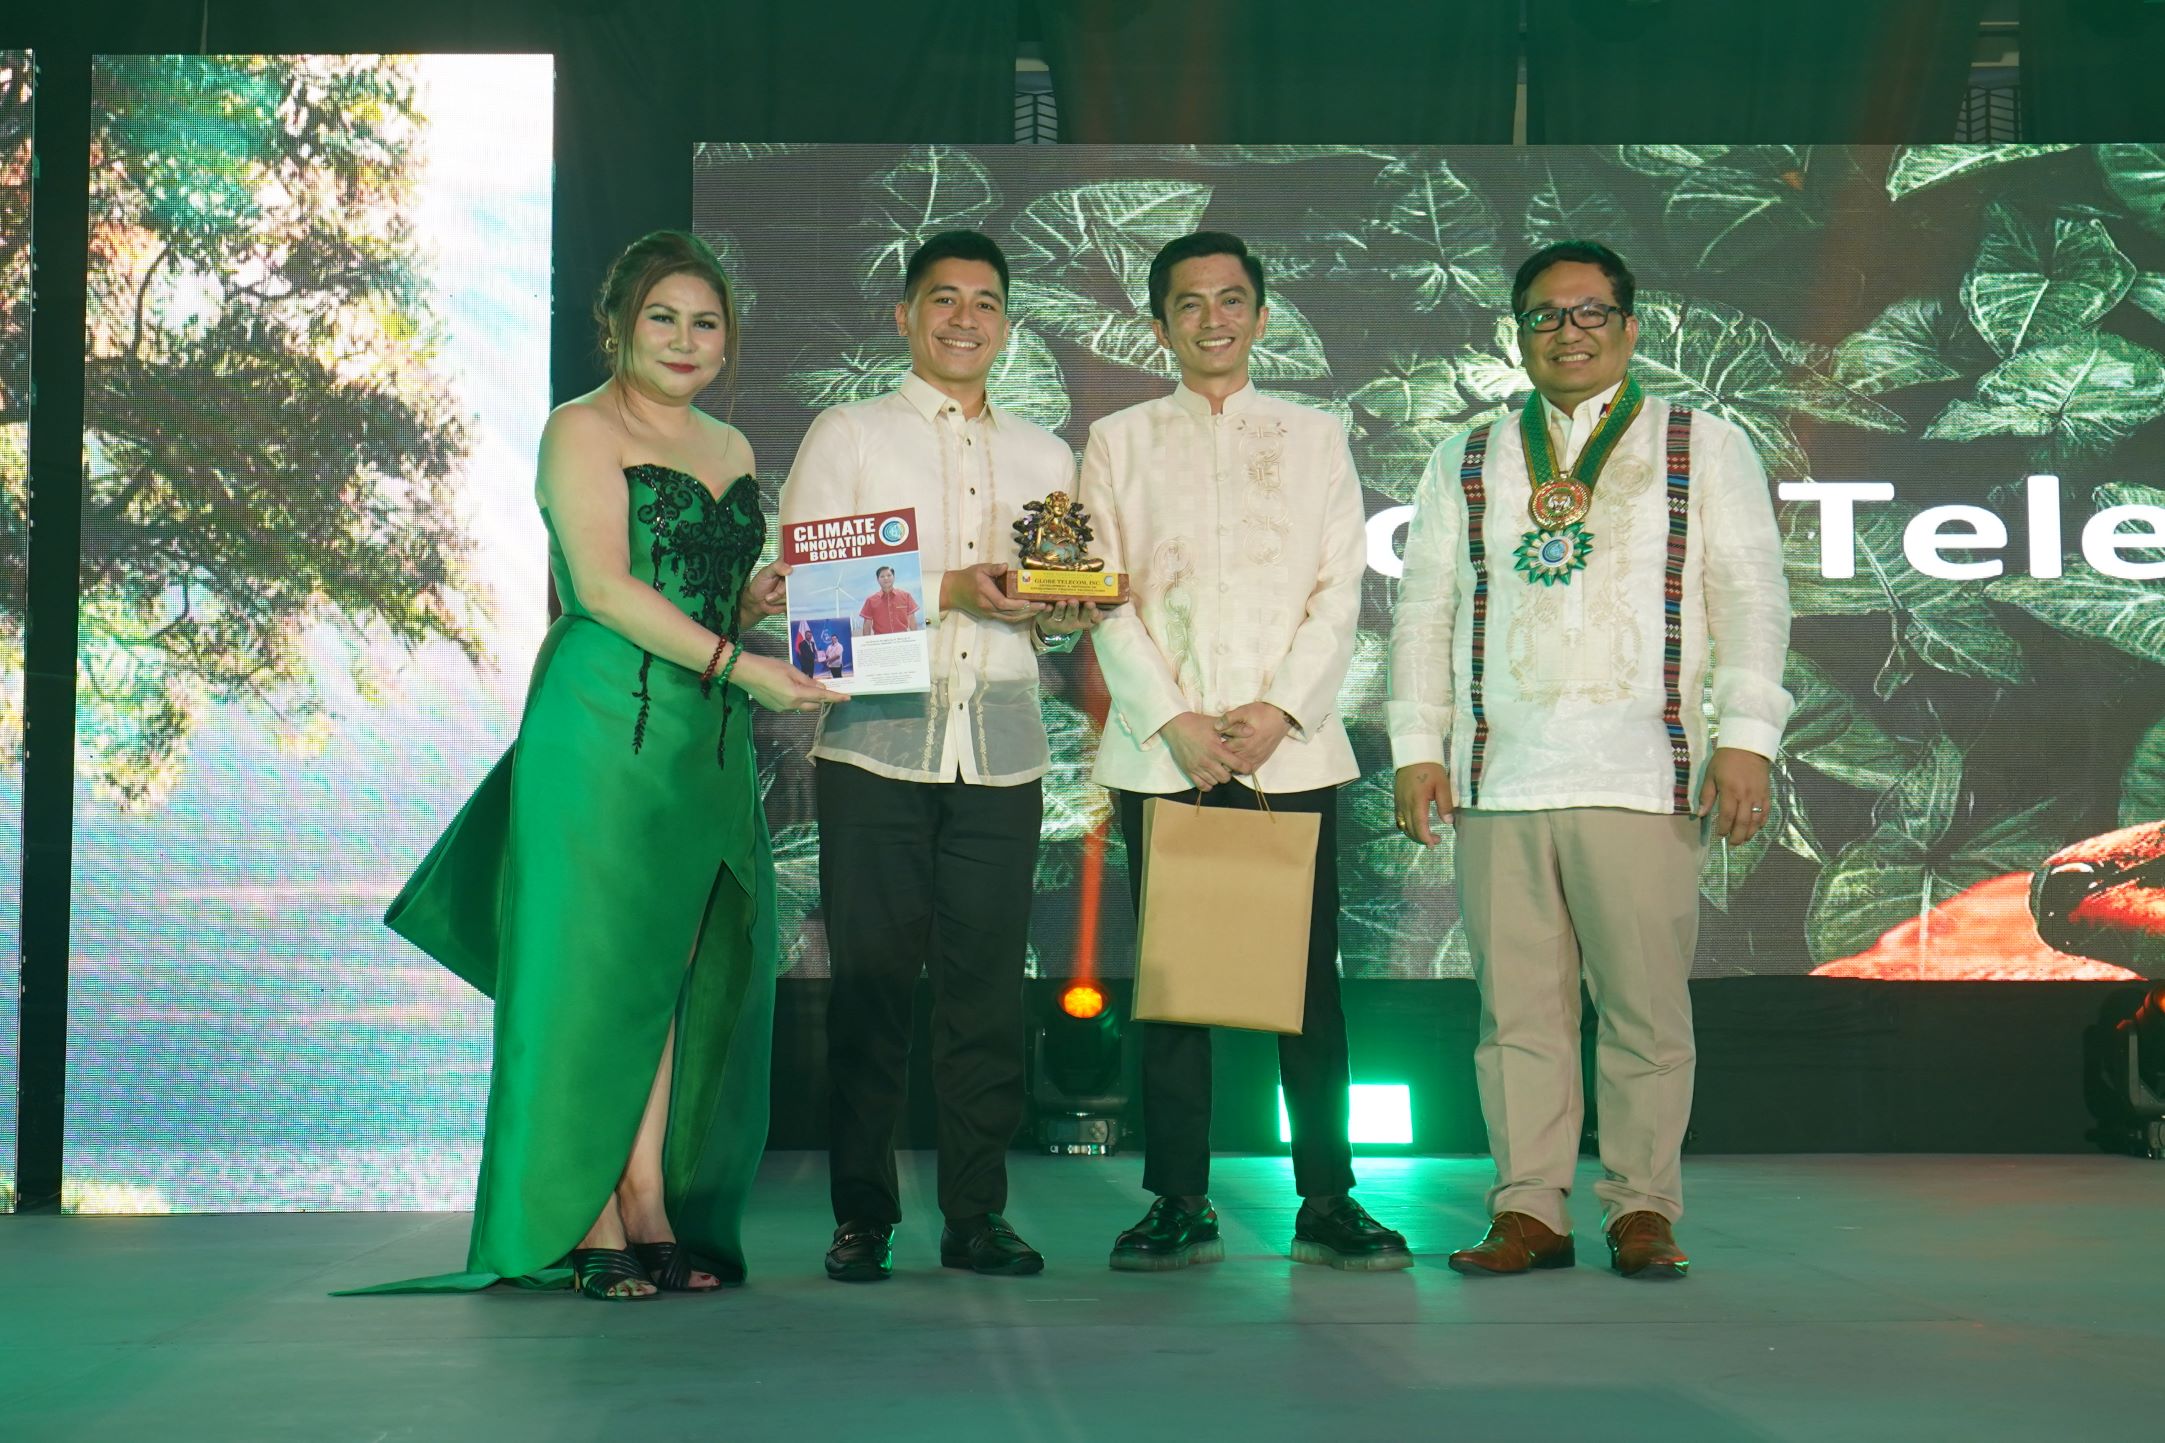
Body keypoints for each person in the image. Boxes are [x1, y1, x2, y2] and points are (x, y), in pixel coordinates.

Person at [345, 230, 845, 1302]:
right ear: (616, 324)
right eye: (661, 318)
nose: (683, 339)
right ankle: (589, 1216)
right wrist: (743, 666)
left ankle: (652, 1198)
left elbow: (708, 582)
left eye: (703, 323)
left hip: (701, 737)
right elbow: (606, 589)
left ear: (726, 342)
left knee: (672, 971)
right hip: (601, 726)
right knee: (593, 974)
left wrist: (752, 604)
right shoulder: (577, 429)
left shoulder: (732, 447)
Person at [1387, 240, 1792, 1280]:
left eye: (1588, 313)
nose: (1567, 333)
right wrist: (1413, 748)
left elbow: (1750, 597)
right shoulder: (1466, 456)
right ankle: (1527, 1209)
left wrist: (1745, 737)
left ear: (1629, 325)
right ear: (1514, 333)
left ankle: (1640, 1207)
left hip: (1637, 769)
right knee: (1513, 1011)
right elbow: (1422, 608)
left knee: (1644, 1005)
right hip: (1499, 774)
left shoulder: (1701, 443)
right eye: (1543, 316)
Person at [1081, 231, 1410, 1273]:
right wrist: (1173, 720)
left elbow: (1337, 593)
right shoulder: (1117, 440)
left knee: (1304, 987)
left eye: (1232, 301)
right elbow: (1096, 591)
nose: (1212, 320)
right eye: (1188, 304)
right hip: (1165, 752)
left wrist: (1276, 713)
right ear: (1157, 325)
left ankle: (1327, 1197)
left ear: (1262, 317)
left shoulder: (1315, 436)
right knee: (1174, 986)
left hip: (1286, 755)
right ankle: (1176, 1196)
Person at [779, 229, 1098, 1282]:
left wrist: (1070, 606)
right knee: (869, 990)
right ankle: (861, 1217)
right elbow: (811, 620)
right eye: (943, 299)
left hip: (999, 754)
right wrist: (945, 590)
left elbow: (1052, 615)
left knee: (983, 998)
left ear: (1006, 325)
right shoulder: (851, 433)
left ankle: (976, 1217)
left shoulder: (1049, 457)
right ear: (904, 316)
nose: (964, 319)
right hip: (874, 751)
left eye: (985, 303)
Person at [858, 564, 920, 634]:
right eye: (882, 576)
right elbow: (867, 625)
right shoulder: (870, 600)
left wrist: (917, 641)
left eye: (889, 575)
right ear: (877, 580)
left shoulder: (906, 596)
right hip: (880, 642)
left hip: (903, 640)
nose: (886, 578)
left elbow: (912, 620)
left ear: (894, 577)